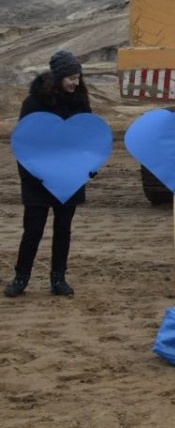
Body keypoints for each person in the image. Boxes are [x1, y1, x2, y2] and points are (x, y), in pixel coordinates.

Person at [4, 51, 93, 298]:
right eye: (71, 78)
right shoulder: (34, 103)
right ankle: (21, 278)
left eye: (78, 77)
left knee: (63, 229)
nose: (76, 82)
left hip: (69, 177)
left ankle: (58, 279)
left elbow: (89, 137)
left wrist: (89, 165)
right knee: (33, 230)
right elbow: (24, 142)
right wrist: (30, 175)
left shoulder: (80, 102)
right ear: (58, 77)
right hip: (37, 177)